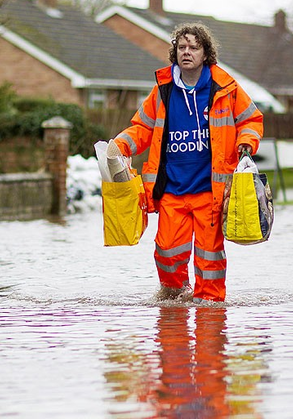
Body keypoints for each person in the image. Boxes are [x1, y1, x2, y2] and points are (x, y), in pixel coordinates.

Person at [112, 22, 263, 304]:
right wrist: (118, 146)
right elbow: (141, 128)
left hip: (210, 190)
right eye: (182, 47)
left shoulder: (224, 87)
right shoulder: (163, 90)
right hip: (172, 189)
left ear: (205, 53)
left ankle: (211, 309)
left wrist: (247, 142)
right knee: (167, 251)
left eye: (194, 47)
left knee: (209, 256)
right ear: (175, 52)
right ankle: (175, 293)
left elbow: (251, 119)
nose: (187, 52)